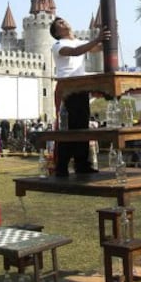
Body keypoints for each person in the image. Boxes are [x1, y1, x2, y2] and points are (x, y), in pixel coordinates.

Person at [50, 16, 110, 176]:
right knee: (69, 128)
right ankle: (61, 166)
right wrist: (97, 38)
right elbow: (75, 52)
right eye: (60, 23)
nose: (65, 23)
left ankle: (81, 163)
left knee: (82, 126)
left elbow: (97, 48)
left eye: (63, 20)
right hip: (68, 88)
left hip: (81, 87)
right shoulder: (58, 45)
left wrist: (110, 36)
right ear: (57, 32)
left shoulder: (78, 42)